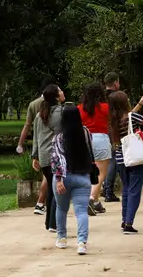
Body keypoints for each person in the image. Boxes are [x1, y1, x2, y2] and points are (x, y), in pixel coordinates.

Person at [108, 90, 143, 234]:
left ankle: (124, 219)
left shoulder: (112, 120)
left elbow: (128, 117)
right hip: (135, 158)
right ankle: (129, 223)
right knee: (134, 190)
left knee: (126, 189)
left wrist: (139, 104)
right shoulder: (131, 117)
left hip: (121, 159)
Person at [50, 104, 94, 255]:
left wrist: (59, 179)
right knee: (81, 212)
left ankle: (62, 238)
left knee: (61, 209)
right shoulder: (86, 132)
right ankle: (81, 243)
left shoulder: (58, 137)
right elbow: (90, 151)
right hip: (83, 177)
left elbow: (57, 158)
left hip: (64, 178)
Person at [17, 78, 57, 216]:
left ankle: (44, 203)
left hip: (39, 142)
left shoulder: (33, 104)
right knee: (48, 176)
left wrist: (20, 143)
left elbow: (27, 125)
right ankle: (41, 203)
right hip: (51, 144)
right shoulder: (55, 105)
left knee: (46, 175)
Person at [31, 84, 65, 233]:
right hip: (56, 155)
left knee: (52, 189)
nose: (62, 92)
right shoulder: (60, 112)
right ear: (56, 96)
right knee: (57, 189)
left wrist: (35, 156)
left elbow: (36, 137)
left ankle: (49, 222)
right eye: (60, 91)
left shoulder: (39, 115)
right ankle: (53, 223)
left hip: (43, 156)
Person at [77, 82, 111, 215]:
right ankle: (90, 199)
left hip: (85, 140)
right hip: (101, 139)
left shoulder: (79, 108)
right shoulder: (105, 107)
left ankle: (96, 202)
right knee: (100, 174)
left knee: (89, 173)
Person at [101, 72, 122, 203]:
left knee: (105, 161)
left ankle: (104, 188)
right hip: (112, 130)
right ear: (115, 83)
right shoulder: (116, 97)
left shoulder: (101, 96)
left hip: (101, 130)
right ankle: (108, 190)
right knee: (113, 159)